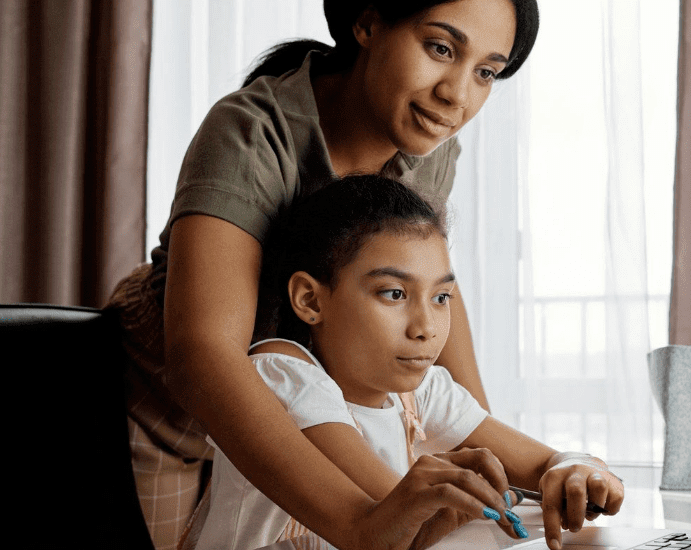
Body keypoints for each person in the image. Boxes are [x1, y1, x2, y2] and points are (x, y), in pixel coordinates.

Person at [105, 1, 540, 548]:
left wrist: (487, 457)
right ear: (368, 22)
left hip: (305, 398)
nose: (456, 94)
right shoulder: (251, 131)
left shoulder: (428, 141)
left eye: (486, 72)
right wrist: (360, 523)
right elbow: (204, 356)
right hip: (173, 400)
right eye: (440, 48)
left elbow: (428, 283)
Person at [191, 175, 624, 550]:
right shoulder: (281, 374)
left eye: (440, 298)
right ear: (310, 299)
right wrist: (480, 498)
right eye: (394, 294)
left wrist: (574, 469)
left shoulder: (421, 392)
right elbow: (393, 523)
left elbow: (545, 462)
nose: (426, 328)